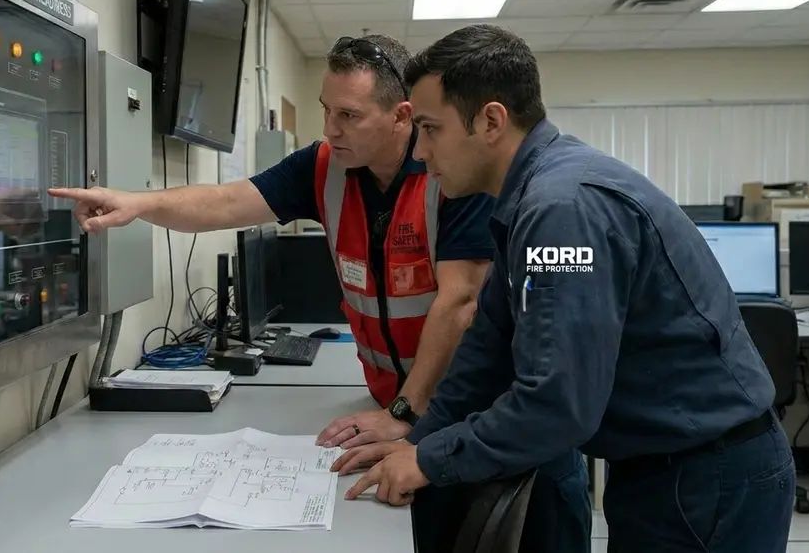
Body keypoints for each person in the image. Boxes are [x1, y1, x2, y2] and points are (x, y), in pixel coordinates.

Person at [50, 34, 591, 553]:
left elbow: (460, 302)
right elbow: (225, 202)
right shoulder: (324, 166)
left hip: (473, 417)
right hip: (393, 410)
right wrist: (138, 204)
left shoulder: (452, 174)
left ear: (402, 116)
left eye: (349, 116)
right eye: (326, 110)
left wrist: (408, 410)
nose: (330, 128)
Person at [332, 23, 796, 553]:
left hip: (708, 477)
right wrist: (418, 433)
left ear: (490, 121)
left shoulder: (561, 209)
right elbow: (487, 344)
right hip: (662, 466)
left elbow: (557, 404)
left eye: (432, 129)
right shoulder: (528, 197)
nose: (419, 152)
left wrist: (432, 458)